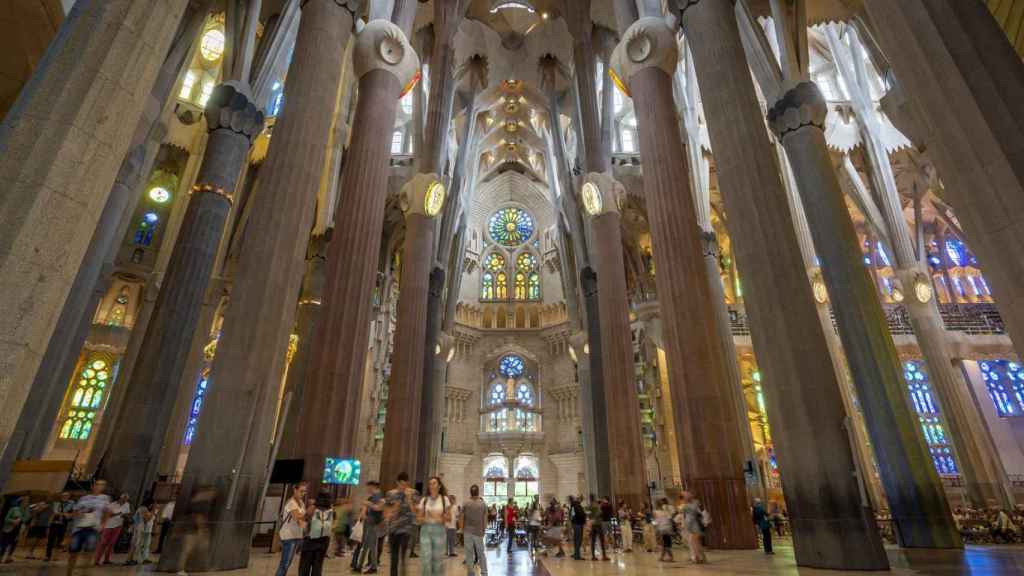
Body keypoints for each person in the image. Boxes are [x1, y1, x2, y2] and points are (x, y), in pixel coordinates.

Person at [67, 479, 111, 576]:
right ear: (93, 486)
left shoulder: (105, 498)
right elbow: (74, 511)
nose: (99, 487)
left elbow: (107, 512)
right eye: (98, 484)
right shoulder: (84, 498)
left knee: (89, 552)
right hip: (79, 527)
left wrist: (103, 525)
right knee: (73, 552)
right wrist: (78, 513)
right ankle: (69, 573)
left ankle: (85, 573)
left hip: (93, 528)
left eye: (102, 485)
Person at [384, 472, 418, 576]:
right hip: (393, 528)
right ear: (397, 482)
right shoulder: (390, 494)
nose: (403, 487)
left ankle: (403, 573)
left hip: (406, 528)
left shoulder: (413, 493)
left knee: (403, 555)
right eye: (401, 484)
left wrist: (409, 500)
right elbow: (387, 512)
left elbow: (416, 512)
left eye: (405, 484)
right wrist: (394, 508)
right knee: (394, 556)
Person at [416, 476, 450, 576]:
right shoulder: (424, 500)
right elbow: (418, 519)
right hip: (425, 530)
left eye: (434, 483)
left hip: (440, 531)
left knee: (437, 561)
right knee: (425, 559)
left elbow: (449, 518)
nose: (431, 485)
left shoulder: (444, 500)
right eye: (430, 484)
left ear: (439, 486)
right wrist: (425, 518)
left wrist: (438, 517)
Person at [275, 481, 308, 576]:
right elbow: (297, 517)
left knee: (288, 563)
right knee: (284, 563)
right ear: (295, 490)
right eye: (301, 491)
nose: (303, 494)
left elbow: (302, 519)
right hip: (289, 536)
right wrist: (307, 514)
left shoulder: (301, 502)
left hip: (296, 535)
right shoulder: (291, 502)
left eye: (304, 492)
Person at [298, 491, 333, 576]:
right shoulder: (331, 508)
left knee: (305, 564)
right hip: (324, 539)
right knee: (318, 565)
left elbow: (304, 518)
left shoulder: (313, 508)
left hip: (311, 539)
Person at [352, 480, 383, 574]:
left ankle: (373, 567)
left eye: (368, 487)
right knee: (366, 545)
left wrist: (368, 504)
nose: (367, 489)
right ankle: (360, 565)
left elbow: (379, 508)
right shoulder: (372, 497)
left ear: (373, 486)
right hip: (369, 523)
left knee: (372, 546)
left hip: (373, 524)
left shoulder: (379, 496)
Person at [95, 492, 130, 566]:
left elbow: (127, 514)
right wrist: (119, 514)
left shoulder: (127, 505)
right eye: (124, 499)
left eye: (126, 500)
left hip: (118, 526)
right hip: (108, 526)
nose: (125, 501)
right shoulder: (112, 505)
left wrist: (125, 516)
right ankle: (97, 560)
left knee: (111, 544)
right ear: (120, 498)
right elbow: (108, 515)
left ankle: (106, 560)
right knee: (103, 543)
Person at [461, 485, 488, 576]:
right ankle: (484, 572)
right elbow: (485, 518)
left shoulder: (465, 503)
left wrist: (461, 529)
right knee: (481, 553)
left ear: (470, 492)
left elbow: (461, 517)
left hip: (467, 532)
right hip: (479, 532)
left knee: (469, 554)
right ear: (478, 492)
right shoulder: (483, 504)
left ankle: (471, 573)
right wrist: (484, 530)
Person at [47, 492, 75, 561]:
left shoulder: (71, 504)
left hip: (63, 524)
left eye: (66, 495)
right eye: (63, 495)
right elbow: (53, 513)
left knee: (60, 541)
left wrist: (65, 514)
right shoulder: (56, 503)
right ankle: (47, 556)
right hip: (54, 523)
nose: (65, 496)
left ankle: (56, 556)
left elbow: (72, 514)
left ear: (69, 496)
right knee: (50, 540)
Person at [680, 492, 706, 564]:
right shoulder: (694, 504)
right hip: (692, 525)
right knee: (696, 542)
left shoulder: (688, 506)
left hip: (694, 525)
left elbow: (684, 512)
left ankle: (697, 558)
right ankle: (700, 558)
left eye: (684, 497)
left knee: (694, 542)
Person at [0, 496, 28, 563]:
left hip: (18, 529)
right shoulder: (13, 509)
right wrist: (13, 521)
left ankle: (9, 557)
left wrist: (24, 517)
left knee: (13, 543)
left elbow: (25, 520)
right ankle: (1, 556)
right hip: (9, 528)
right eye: (25, 502)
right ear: (21, 502)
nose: (26, 503)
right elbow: (6, 519)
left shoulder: (24, 511)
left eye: (27, 502)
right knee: (5, 543)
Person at [587, 495, 609, 561]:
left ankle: (593, 556)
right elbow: (600, 512)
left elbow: (587, 513)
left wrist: (591, 519)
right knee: (602, 540)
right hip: (598, 524)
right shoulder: (596, 505)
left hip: (593, 525)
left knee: (593, 541)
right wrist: (595, 517)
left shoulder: (589, 506)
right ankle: (604, 556)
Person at [653, 498, 674, 562]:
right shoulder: (665, 511)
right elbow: (669, 518)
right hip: (667, 528)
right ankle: (662, 557)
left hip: (661, 529)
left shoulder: (655, 512)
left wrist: (655, 528)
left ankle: (671, 556)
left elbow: (656, 521)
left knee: (665, 544)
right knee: (665, 543)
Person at [569, 496, 586, 560]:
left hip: (575, 523)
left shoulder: (573, 506)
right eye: (581, 499)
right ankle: (577, 555)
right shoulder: (577, 506)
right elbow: (580, 514)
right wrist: (584, 515)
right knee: (578, 539)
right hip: (578, 524)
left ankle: (576, 553)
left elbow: (572, 515)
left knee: (576, 539)